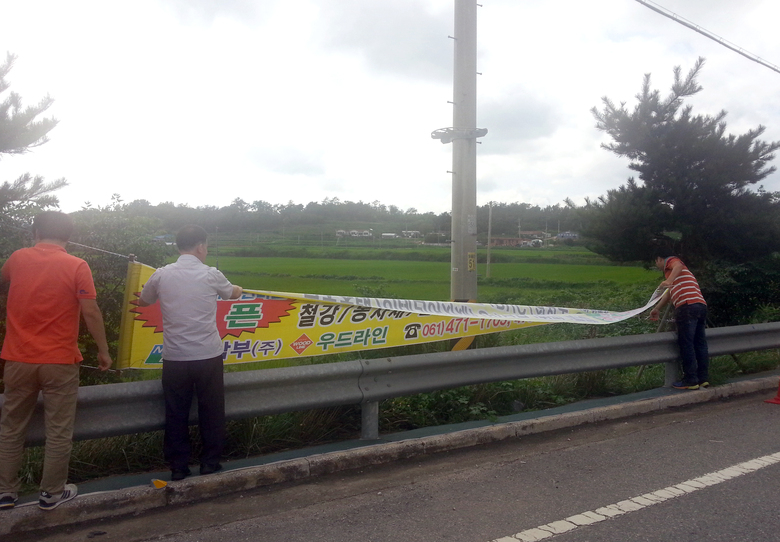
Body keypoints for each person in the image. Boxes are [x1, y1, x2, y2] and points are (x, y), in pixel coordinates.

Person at [0, 211, 112, 511]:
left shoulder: (17, 259)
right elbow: (90, 311)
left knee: (11, 428)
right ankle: (51, 494)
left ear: (35, 231)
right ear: (68, 236)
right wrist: (103, 351)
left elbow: (3, 282)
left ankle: (4, 493)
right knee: (59, 430)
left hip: (17, 357)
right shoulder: (77, 265)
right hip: (60, 361)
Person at [138, 225, 242, 481]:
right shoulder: (211, 274)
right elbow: (232, 294)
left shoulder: (162, 275)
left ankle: (178, 467)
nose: (206, 250)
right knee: (212, 410)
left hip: (175, 358)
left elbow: (143, 301)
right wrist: (238, 288)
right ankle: (210, 462)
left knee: (176, 412)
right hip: (208, 355)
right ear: (199, 247)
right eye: (205, 246)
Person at [649, 248, 709, 390]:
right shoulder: (676, 276)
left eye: (656, 262)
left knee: (686, 344)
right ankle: (703, 378)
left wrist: (668, 280)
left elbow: (678, 265)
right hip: (700, 306)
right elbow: (668, 294)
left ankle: (691, 380)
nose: (657, 265)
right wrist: (656, 309)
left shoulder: (671, 261)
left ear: (659, 259)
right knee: (699, 343)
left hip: (687, 306)